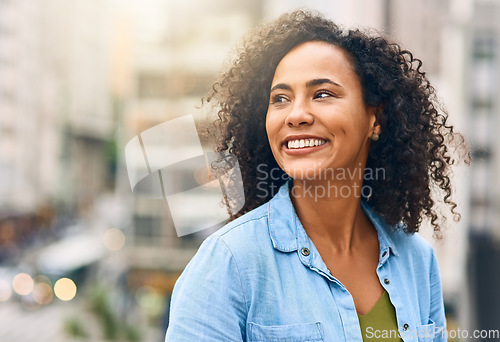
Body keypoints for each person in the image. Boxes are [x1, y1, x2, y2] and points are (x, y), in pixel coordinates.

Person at [165, 10, 468, 342]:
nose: (295, 115)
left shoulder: (417, 261)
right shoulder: (229, 263)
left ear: (375, 119)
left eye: (322, 93)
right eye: (280, 99)